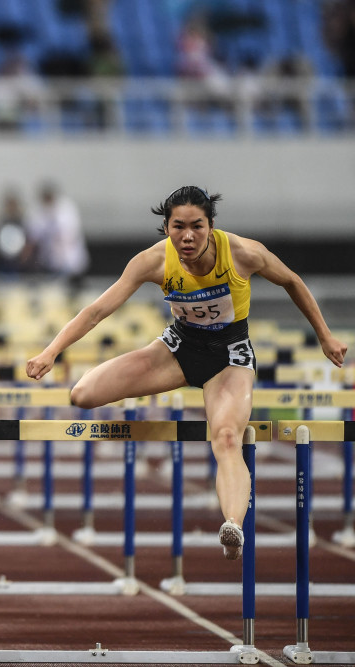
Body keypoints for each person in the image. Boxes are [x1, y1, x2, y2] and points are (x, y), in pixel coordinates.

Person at [26, 186, 347, 560]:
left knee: (227, 437)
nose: (188, 236)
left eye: (197, 226)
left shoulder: (243, 253)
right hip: (177, 349)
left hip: (229, 356)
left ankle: (233, 525)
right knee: (82, 395)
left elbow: (292, 280)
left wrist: (325, 335)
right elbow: (97, 310)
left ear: (211, 226)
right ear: (166, 228)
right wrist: (51, 351)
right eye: (179, 226)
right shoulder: (153, 261)